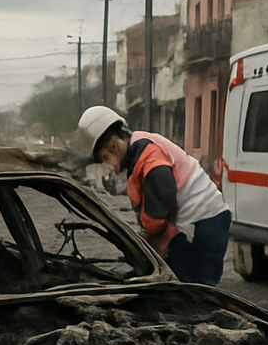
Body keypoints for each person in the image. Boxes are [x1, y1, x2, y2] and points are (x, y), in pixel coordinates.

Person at [77, 105, 231, 285]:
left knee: (196, 286)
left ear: (113, 146)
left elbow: (162, 201)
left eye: (104, 157)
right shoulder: (140, 146)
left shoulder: (148, 155)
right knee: (177, 280)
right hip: (199, 220)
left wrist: (150, 237)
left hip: (203, 221)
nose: (107, 165)